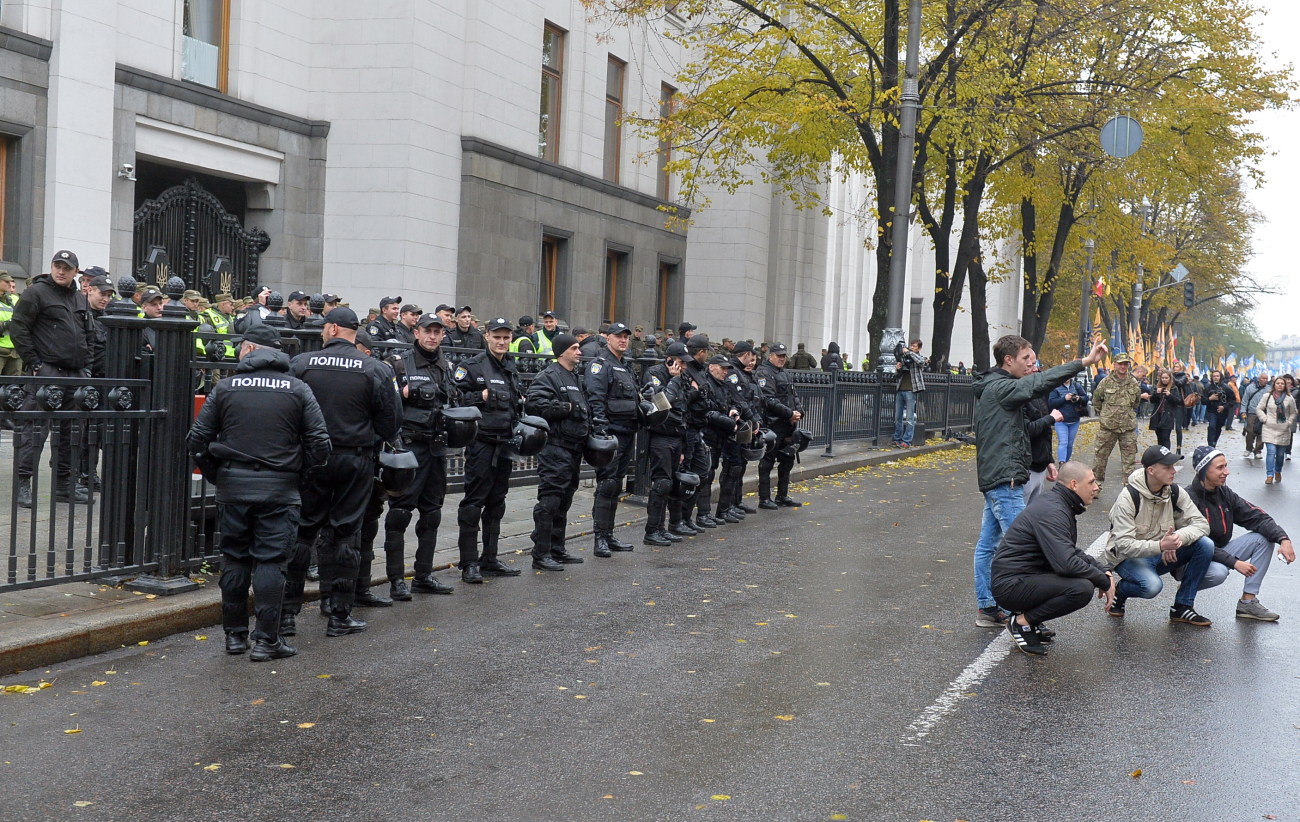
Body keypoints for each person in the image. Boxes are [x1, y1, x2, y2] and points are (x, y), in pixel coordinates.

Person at [187, 324, 331, 661]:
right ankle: (267, 640)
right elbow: (320, 444)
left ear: (250, 350)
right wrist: (299, 475)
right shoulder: (297, 389)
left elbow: (197, 440)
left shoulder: (226, 388)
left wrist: (219, 474)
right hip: (279, 489)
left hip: (234, 489)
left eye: (240, 347)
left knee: (235, 559)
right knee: (271, 562)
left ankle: (234, 637)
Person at [971, 335, 1106, 627]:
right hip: (1004, 479)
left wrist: (1044, 460)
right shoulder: (1001, 387)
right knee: (1029, 545)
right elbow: (1039, 383)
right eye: (1026, 359)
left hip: (1002, 476)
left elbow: (1021, 431)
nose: (1032, 365)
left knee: (988, 545)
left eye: (1033, 360)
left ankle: (987, 607)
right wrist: (1083, 361)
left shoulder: (996, 387)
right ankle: (1024, 614)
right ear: (1008, 360)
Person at [283, 307, 401, 638]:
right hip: (355, 459)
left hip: (312, 459)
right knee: (347, 532)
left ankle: (286, 616)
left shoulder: (303, 364)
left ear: (333, 328)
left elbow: (288, 412)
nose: (322, 331)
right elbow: (390, 422)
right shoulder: (375, 368)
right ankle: (339, 615)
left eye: (324, 327)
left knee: (303, 532)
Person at [991, 461, 1115, 655]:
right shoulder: (1054, 510)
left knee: (1080, 578)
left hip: (1026, 577)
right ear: (1074, 485)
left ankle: (1030, 620)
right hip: (1011, 586)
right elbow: (1066, 563)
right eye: (1091, 482)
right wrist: (1103, 581)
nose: (1096, 487)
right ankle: (1021, 623)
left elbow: (1069, 551)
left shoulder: (1059, 504)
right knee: (1081, 589)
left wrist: (1101, 569)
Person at [381, 312, 461, 598]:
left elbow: (454, 400)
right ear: (416, 332)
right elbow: (385, 405)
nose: (432, 336)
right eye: (428, 331)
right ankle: (395, 580)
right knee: (399, 515)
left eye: (438, 332)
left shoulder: (446, 366)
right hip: (409, 447)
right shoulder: (399, 363)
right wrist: (400, 393)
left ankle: (424, 575)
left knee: (432, 514)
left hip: (436, 449)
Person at [10, 250, 96, 508]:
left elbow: (88, 334)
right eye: (57, 266)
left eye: (66, 268)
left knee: (72, 431)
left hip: (75, 373)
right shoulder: (36, 292)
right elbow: (18, 327)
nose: (60, 271)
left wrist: (87, 367)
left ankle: (63, 485)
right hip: (46, 371)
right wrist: (33, 361)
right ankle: (22, 483)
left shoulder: (79, 298)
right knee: (34, 430)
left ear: (75, 272)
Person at [1102, 445, 1213, 626]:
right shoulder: (1128, 497)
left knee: (1205, 544)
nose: (1173, 471)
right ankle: (1122, 590)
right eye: (1167, 467)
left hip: (1160, 552)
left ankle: (1182, 607)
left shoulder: (1174, 491)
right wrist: (1161, 546)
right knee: (1152, 587)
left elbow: (1201, 524)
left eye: (1174, 466)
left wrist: (1177, 538)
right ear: (1151, 470)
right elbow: (1123, 545)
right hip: (1128, 558)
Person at [454, 317, 526, 582]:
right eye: (497, 337)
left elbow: (515, 405)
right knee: (474, 502)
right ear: (487, 336)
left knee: (497, 503)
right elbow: (455, 398)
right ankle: (469, 562)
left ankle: (490, 558)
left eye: (506, 337)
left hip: (504, 443)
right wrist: (479, 396)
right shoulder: (471, 366)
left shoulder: (510, 366)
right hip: (481, 443)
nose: (502, 342)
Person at [1186, 446, 1294, 621]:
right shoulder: (1188, 498)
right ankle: (1186, 592)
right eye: (1220, 468)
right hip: (1192, 559)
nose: (1226, 472)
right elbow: (1196, 544)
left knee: (1263, 539)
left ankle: (1248, 603)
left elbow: (1257, 517)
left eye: (1226, 466)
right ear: (1204, 470)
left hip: (1218, 554)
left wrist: (1283, 539)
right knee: (1219, 572)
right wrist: (1235, 562)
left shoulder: (1224, 493)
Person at [525, 332, 591, 568]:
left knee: (565, 499)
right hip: (555, 447)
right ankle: (541, 554)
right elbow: (533, 404)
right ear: (562, 352)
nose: (579, 352)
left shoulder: (575, 377)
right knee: (550, 500)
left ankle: (557, 548)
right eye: (574, 348)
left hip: (573, 448)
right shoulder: (549, 376)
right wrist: (565, 407)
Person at [585, 321, 641, 557]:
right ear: (607, 338)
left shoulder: (625, 366)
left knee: (616, 484)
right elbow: (595, 399)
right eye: (618, 336)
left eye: (626, 337)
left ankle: (609, 534)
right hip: (611, 434)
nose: (623, 340)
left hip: (627, 432)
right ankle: (599, 538)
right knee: (607, 485)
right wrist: (601, 431)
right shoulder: (601, 365)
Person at [641, 340, 693, 544]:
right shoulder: (654, 374)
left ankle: (663, 528)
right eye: (681, 362)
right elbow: (662, 404)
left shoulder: (681, 377)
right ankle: (652, 530)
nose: (684, 366)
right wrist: (673, 380)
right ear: (670, 360)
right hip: (660, 434)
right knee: (661, 483)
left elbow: (684, 408)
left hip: (677, 434)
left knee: (671, 483)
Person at [755, 342, 804, 508]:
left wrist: (799, 412)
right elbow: (768, 400)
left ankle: (782, 495)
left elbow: (793, 395)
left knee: (787, 459)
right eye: (779, 355)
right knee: (767, 462)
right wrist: (790, 414)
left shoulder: (784, 373)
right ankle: (764, 498)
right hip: (773, 424)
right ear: (771, 356)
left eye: (784, 356)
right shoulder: (764, 372)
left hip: (788, 425)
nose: (782, 358)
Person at [1091, 353, 1146, 485]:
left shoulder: (1133, 383)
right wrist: (1106, 414)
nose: (1122, 366)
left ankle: (1129, 488)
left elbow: (1136, 402)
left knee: (1129, 461)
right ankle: (1096, 486)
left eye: (1125, 364)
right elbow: (1097, 400)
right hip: (1108, 427)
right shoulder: (1105, 382)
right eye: (1120, 363)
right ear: (1114, 365)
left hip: (1127, 427)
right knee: (1100, 458)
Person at [1256, 376, 1297, 484]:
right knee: (1271, 452)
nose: (1280, 385)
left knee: (1279, 455)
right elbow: (1259, 408)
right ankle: (1270, 474)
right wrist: (1264, 419)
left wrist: (1289, 422)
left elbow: (1294, 412)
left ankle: (1278, 470)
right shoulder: (1267, 396)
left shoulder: (1289, 398)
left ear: (1285, 386)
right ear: (1274, 384)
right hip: (1269, 428)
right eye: (1277, 383)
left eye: (1282, 383)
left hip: (1283, 430)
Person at [892, 339, 927, 447]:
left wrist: (908, 352)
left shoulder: (919, 357)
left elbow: (921, 362)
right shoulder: (904, 358)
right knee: (898, 416)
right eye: (911, 345)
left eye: (915, 346)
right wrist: (898, 368)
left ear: (919, 348)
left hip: (911, 390)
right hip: (901, 389)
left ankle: (906, 440)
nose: (912, 347)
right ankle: (897, 438)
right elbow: (897, 375)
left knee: (909, 417)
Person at [1048, 373, 1088, 463]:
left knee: (1069, 444)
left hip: (1074, 420)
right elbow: (1051, 403)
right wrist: (1064, 398)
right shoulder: (1055, 388)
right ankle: (1062, 463)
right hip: (1061, 420)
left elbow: (1086, 398)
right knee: (1063, 442)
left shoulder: (1076, 386)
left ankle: (1066, 463)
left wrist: (1078, 398)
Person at [1147, 368, 1184, 451]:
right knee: (1159, 437)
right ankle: (1160, 455)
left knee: (1165, 437)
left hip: (1168, 415)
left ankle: (1166, 455)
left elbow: (1178, 401)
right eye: (1163, 378)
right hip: (1157, 415)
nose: (1164, 379)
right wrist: (1157, 393)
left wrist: (1169, 395)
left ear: (1170, 378)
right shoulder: (1157, 386)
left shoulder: (1174, 388)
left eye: (1166, 378)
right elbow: (1152, 400)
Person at [1241, 372, 1270, 459]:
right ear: (1258, 379)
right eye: (1263, 378)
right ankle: (1249, 448)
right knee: (1250, 431)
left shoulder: (1269, 389)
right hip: (1252, 412)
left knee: (1262, 432)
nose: (1265, 380)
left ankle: (1258, 450)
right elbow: (1245, 400)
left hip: (1264, 413)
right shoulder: (1250, 387)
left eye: (1266, 378)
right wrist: (1243, 411)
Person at [0, 271, 23, 376]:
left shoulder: (14, 299)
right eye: (6, 281)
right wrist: (7, 324)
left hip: (15, 351)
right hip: (1, 350)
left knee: (13, 388)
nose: (10, 284)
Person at [1201, 369, 1231, 447]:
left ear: (1220, 377)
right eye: (1214, 376)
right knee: (1211, 426)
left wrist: (1224, 407)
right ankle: (1210, 444)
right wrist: (1210, 399)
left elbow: (1232, 401)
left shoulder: (1226, 387)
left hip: (1222, 413)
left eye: (1217, 376)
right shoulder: (1208, 388)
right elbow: (1203, 401)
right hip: (1211, 411)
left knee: (1218, 427)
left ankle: (1214, 442)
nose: (1216, 377)